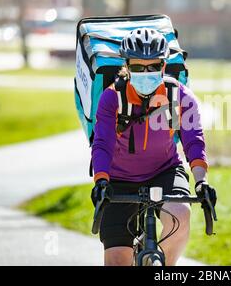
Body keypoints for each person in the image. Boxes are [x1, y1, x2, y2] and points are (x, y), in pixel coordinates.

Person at [90, 27, 217, 266]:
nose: (145, 73)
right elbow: (102, 143)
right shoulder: (112, 97)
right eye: (138, 67)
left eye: (153, 66)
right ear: (126, 67)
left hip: (165, 171)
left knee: (180, 214)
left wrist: (201, 181)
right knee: (117, 261)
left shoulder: (180, 96)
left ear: (164, 66)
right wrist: (101, 181)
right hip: (118, 178)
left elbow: (194, 141)